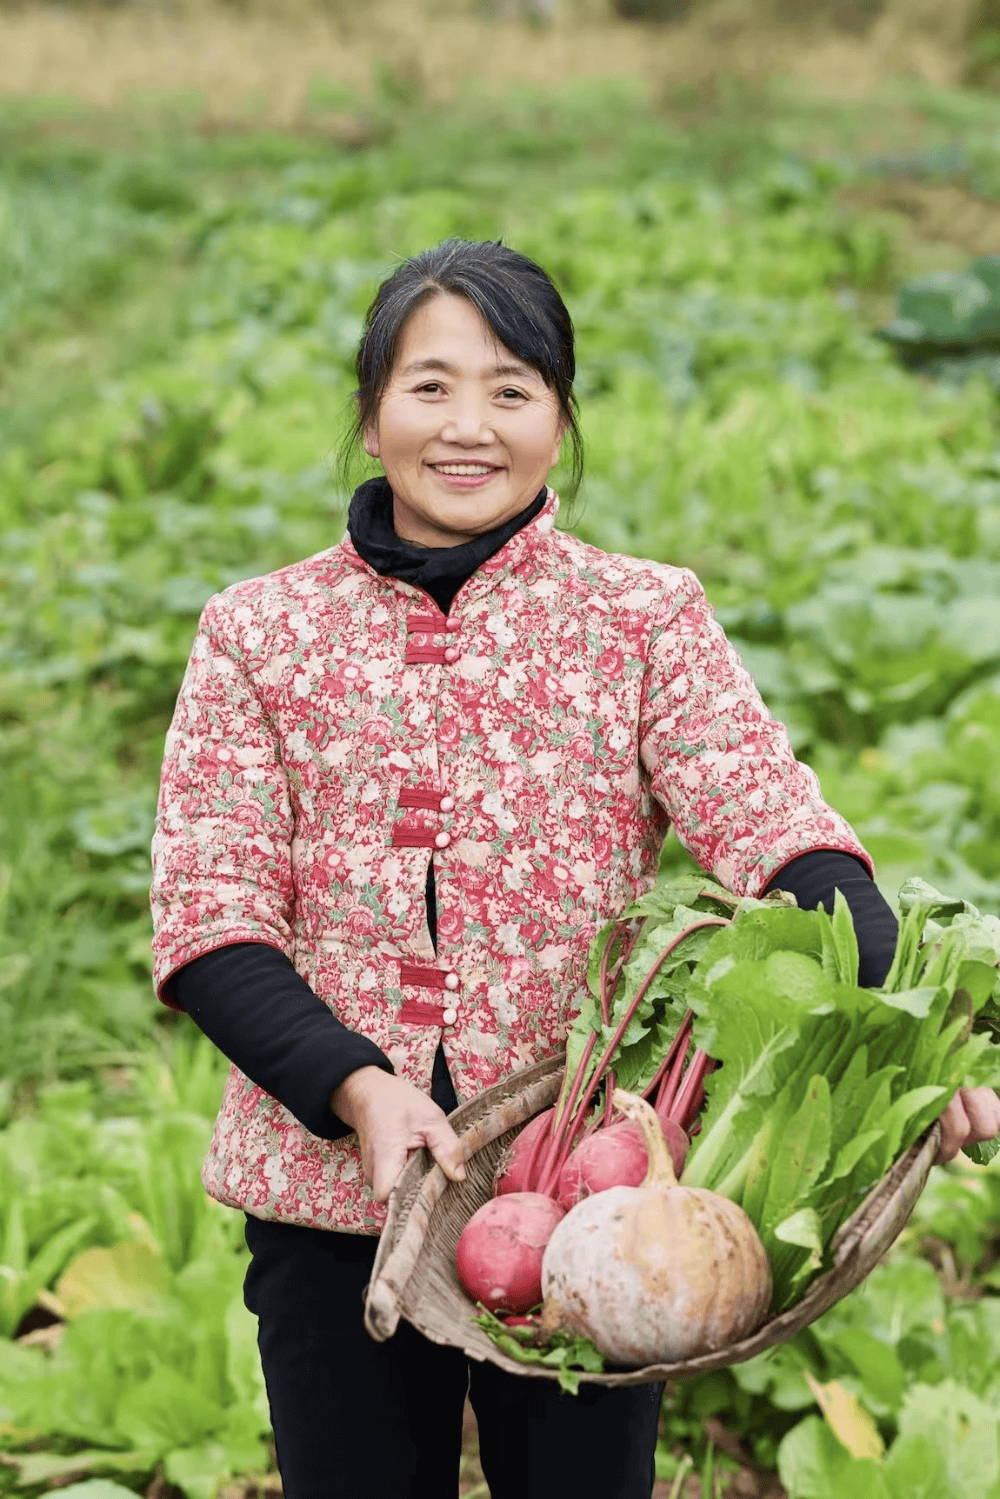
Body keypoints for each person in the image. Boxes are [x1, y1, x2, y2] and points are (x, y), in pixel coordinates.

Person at [150, 239, 1000, 1499]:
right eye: (428, 386)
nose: (468, 426)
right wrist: (357, 1088)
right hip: (332, 1188)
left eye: (511, 389)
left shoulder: (641, 618)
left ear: (559, 414)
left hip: (595, 1202)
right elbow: (209, 918)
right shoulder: (261, 632)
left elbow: (783, 838)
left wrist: (917, 1037)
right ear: (371, 409)